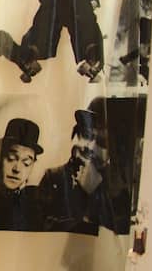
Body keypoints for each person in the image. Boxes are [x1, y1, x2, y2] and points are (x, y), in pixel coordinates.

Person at [39, 98, 114, 235]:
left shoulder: (110, 187)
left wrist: (94, 191)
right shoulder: (53, 177)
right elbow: (40, 226)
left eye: (100, 141)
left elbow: (113, 232)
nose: (90, 146)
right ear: (74, 136)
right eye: (87, 135)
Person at [0, 118, 45, 231]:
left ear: (32, 166)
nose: (17, 169)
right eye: (11, 158)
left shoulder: (34, 205)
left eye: (26, 163)